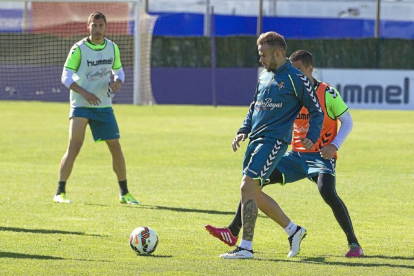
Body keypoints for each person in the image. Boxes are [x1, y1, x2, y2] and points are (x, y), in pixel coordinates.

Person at [206, 50, 364, 258]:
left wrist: (334, 145)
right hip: (295, 156)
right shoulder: (290, 90)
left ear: (310, 69)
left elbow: (348, 122)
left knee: (327, 191)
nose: (295, 74)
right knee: (254, 183)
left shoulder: (327, 93)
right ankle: (233, 231)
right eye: (293, 69)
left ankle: (354, 244)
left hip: (320, 157)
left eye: (299, 70)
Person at [216, 33, 324, 259]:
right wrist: (242, 130)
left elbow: (316, 111)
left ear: (277, 53)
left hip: (274, 141)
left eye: (263, 55)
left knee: (247, 186)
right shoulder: (264, 76)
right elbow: (255, 106)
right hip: (255, 139)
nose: (261, 60)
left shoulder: (297, 78)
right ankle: (293, 230)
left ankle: (246, 247)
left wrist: (311, 137)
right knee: (254, 192)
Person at [53, 12, 139, 205]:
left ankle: (124, 193)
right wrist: (84, 92)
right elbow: (65, 76)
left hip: (103, 105)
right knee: (74, 146)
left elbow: (119, 70)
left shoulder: (112, 48)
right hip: (81, 104)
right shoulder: (79, 49)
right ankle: (60, 192)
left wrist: (118, 81)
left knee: (115, 146)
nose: (97, 29)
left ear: (105, 27)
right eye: (94, 25)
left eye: (101, 26)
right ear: (88, 26)